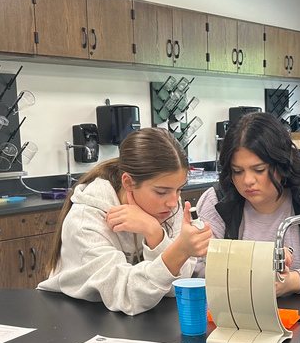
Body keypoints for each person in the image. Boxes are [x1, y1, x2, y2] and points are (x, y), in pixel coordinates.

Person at [39, 127, 211, 314]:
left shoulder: (168, 206)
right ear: (128, 182)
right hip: (76, 315)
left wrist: (155, 235)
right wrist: (177, 249)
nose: (172, 202)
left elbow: (174, 289)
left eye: (179, 189)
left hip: (136, 317)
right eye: (161, 192)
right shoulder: (85, 221)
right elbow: (127, 297)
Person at [194, 112, 300, 295]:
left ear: (282, 163)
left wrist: (294, 281)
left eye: (259, 170)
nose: (247, 180)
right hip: (235, 312)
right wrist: (254, 267)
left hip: (299, 314)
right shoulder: (216, 201)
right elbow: (197, 267)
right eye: (238, 171)